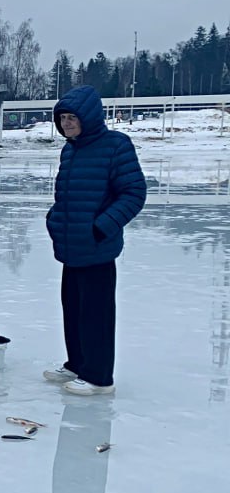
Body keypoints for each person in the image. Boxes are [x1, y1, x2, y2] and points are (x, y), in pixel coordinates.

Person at [43, 86, 146, 396]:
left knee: (96, 314)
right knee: (73, 308)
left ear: (89, 117)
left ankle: (99, 377)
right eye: (62, 119)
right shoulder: (70, 149)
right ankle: (78, 363)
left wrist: (102, 227)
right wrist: (55, 220)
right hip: (71, 246)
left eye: (73, 118)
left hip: (97, 247)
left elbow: (134, 193)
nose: (67, 124)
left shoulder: (116, 145)